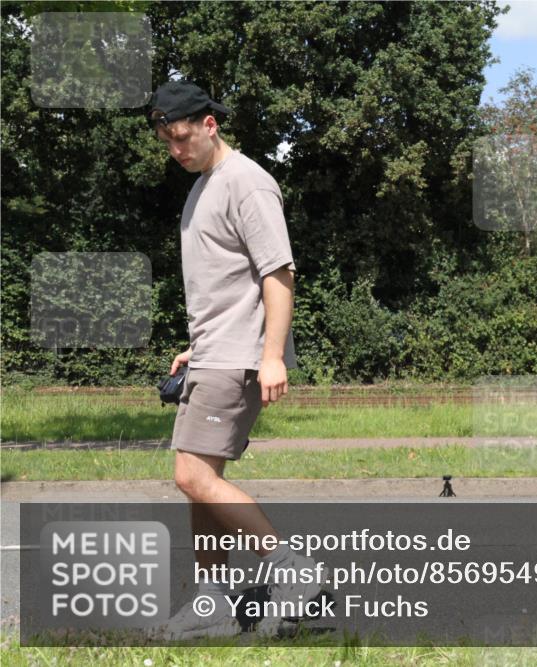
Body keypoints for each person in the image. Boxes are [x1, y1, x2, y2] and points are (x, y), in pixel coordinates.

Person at [146, 80, 324, 640]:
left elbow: (279, 273)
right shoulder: (204, 186)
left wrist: (271, 356)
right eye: (167, 142)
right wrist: (197, 346)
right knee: (205, 485)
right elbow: (227, 283)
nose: (176, 150)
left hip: (239, 359)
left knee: (190, 474)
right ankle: (212, 604)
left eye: (181, 138)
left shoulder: (247, 182)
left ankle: (292, 570)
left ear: (209, 124)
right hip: (214, 353)